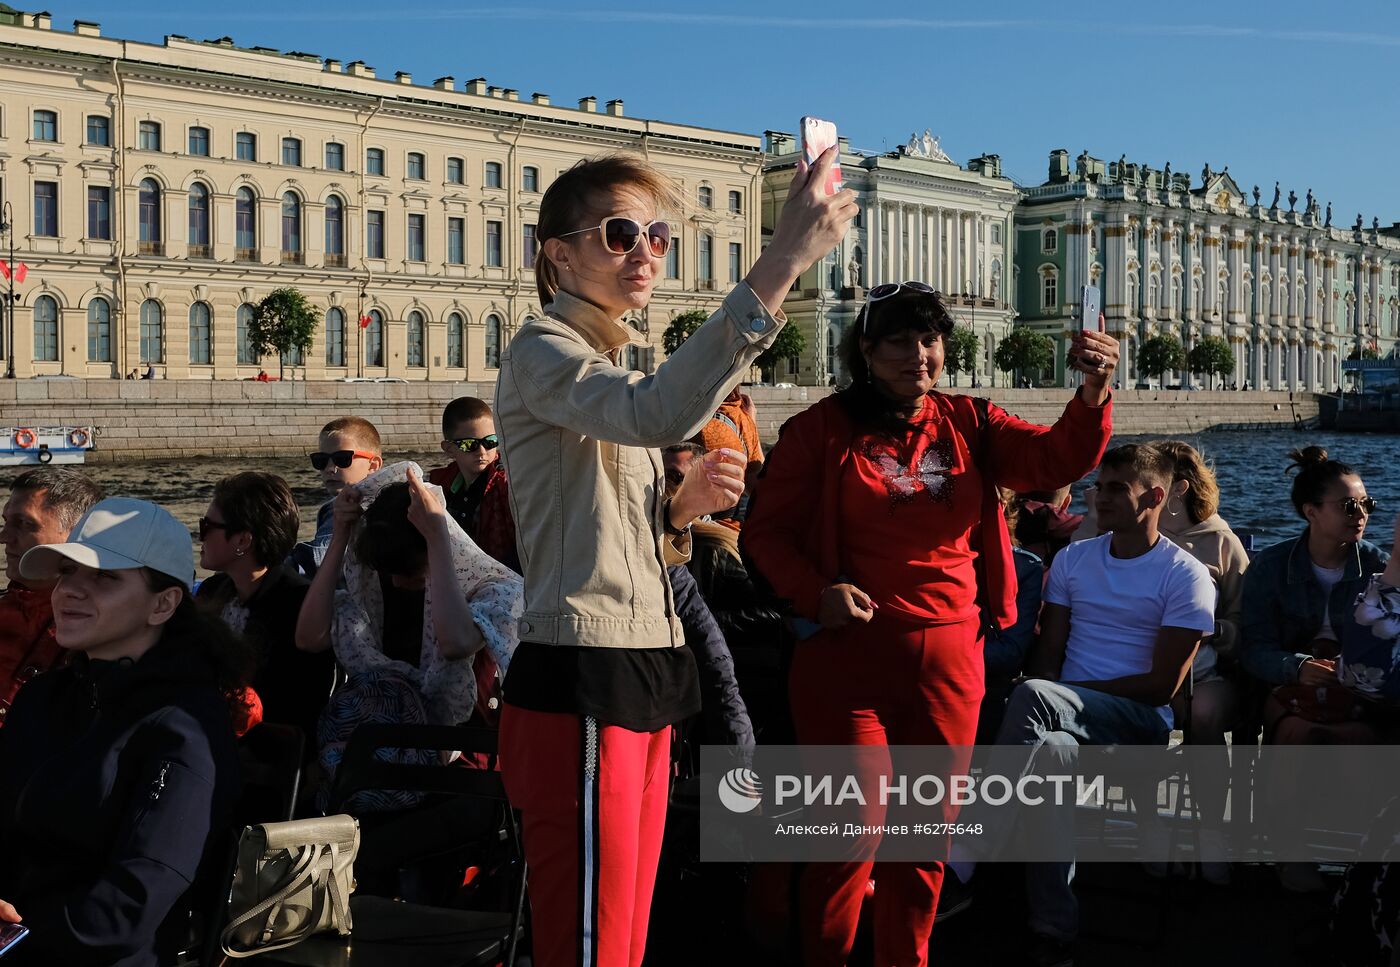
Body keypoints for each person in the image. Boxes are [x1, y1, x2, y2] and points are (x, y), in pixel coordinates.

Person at [494, 147, 853, 967]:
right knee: (587, 940)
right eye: (622, 233)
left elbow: (610, 526)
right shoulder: (544, 347)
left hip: (646, 661)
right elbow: (658, 412)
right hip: (582, 669)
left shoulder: (603, 359)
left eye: (657, 236)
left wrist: (677, 514)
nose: (646, 252)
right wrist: (783, 259)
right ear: (558, 252)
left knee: (623, 935)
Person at [741, 282, 1118, 967]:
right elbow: (764, 536)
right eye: (901, 340)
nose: (920, 354)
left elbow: (1054, 461)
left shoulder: (971, 421)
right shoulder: (819, 430)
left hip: (951, 667)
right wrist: (814, 593)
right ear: (866, 349)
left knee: (924, 841)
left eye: (931, 339)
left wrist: (1092, 391)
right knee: (847, 834)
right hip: (845, 665)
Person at [947, 444, 1216, 964]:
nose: (1100, 497)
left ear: (1154, 497)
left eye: (1117, 488)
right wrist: (1059, 700)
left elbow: (1163, 688)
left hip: (1139, 726)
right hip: (1060, 719)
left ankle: (963, 860)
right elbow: (1049, 659)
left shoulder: (1186, 576)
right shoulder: (1073, 560)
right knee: (1051, 754)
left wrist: (1065, 698)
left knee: (1033, 698)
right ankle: (1055, 931)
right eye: (1098, 485)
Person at [0, 497, 249, 966]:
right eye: (68, 573)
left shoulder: (185, 725)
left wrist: (22, 937)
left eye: (104, 578)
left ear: (164, 603)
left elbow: (129, 907)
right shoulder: (43, 699)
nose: (70, 590)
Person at [1239, 446, 1388, 892]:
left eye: (1366, 504)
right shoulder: (1271, 567)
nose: (1360, 514)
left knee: (1363, 738)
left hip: (1360, 689)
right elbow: (1254, 648)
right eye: (1347, 505)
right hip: (1291, 687)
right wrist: (1298, 666)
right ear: (1310, 512)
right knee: (1296, 732)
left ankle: (1369, 866)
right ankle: (1291, 854)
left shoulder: (1379, 566)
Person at [1152, 439, 1251, 884]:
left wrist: (1213, 629)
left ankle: (1211, 830)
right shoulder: (1131, 535)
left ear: (1178, 488)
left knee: (1204, 713)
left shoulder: (1220, 541)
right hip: (1143, 668)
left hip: (1206, 671)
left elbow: (1244, 620)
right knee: (1142, 710)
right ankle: (1151, 826)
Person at [195, 471, 336, 738]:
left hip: (270, 750)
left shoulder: (298, 603)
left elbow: (299, 703)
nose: (199, 535)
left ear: (242, 541)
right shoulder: (212, 590)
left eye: (207, 526)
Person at [0, 468, 105, 722]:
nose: (3, 537)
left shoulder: (104, 630)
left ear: (76, 534)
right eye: (6, 522)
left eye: (24, 524)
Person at [427, 396, 518, 572]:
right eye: (470, 445)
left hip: (504, 582)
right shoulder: (439, 486)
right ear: (449, 448)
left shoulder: (507, 484)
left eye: (490, 441)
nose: (482, 452)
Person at [287, 416, 384, 578]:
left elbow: (316, 558)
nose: (330, 468)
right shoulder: (389, 495)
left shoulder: (349, 505)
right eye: (321, 460)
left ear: (373, 465)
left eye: (342, 459)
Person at [695, 387, 764, 529]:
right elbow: (759, 487)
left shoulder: (673, 414)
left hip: (675, 521)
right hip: (721, 528)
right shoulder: (739, 416)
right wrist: (751, 425)